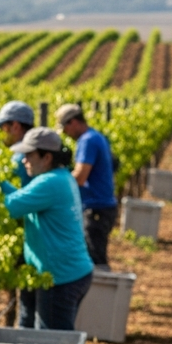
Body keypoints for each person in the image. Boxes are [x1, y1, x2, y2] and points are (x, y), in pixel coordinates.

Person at [0, 126, 96, 344]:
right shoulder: (59, 178)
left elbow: (10, 206)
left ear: (46, 157)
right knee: (56, 341)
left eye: (29, 156)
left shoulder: (49, 183)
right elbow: (20, 197)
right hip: (71, 273)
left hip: (60, 278)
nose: (24, 161)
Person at [0, 100, 39, 326]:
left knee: (29, 301)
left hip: (26, 234)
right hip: (30, 234)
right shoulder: (34, 153)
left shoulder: (19, 159)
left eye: (4, 127)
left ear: (16, 126)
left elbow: (16, 201)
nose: (2, 132)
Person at [56, 103, 117, 267]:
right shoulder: (96, 136)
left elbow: (80, 177)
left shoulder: (87, 141)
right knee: (94, 256)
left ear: (73, 122)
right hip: (103, 207)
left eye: (65, 129)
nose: (66, 134)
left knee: (95, 260)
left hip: (96, 208)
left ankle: (104, 292)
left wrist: (54, 183)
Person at [0, 99, 36, 186]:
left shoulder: (20, 159)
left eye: (2, 128)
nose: (0, 133)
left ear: (15, 127)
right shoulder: (39, 151)